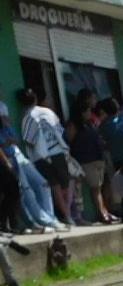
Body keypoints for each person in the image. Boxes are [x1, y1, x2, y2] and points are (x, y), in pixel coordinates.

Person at [16, 88, 71, 226]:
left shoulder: (27, 116)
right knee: (65, 184)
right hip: (57, 151)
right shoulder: (47, 112)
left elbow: (29, 139)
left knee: (54, 186)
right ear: (35, 98)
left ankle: (66, 215)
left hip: (41, 156)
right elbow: (59, 128)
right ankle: (68, 213)